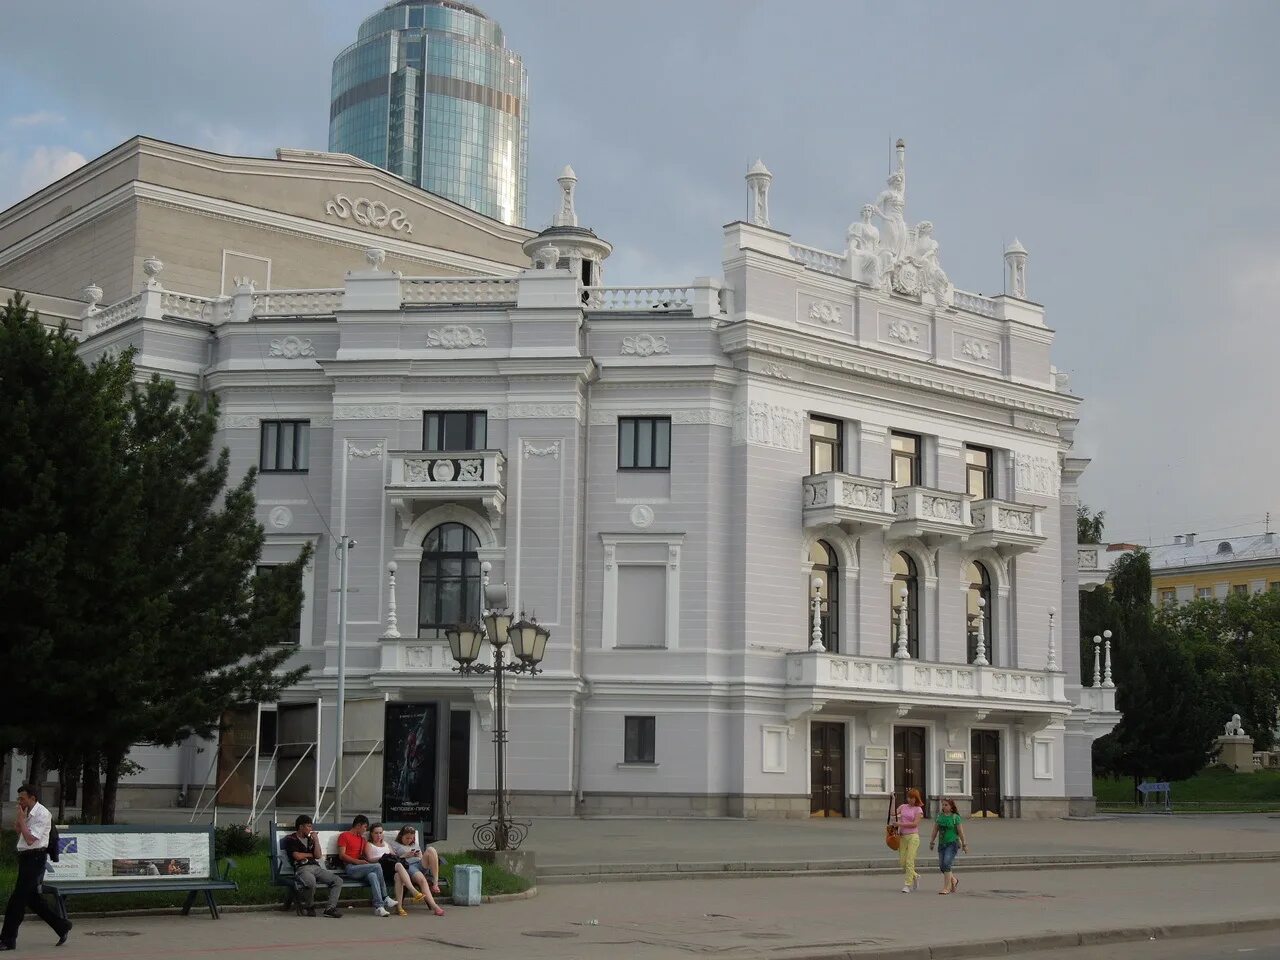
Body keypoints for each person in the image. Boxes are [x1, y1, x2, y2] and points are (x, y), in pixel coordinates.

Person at [0, 784, 72, 951]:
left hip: (35, 859)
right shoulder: (27, 812)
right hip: (26, 859)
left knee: (16, 901)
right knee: (32, 900)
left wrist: (21, 819)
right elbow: (19, 831)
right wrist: (20, 818)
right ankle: (62, 926)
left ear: (33, 798)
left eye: (22, 798)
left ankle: (8, 939)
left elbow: (30, 839)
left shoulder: (42, 814)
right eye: (19, 798)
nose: (20, 801)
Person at [336, 815, 398, 917]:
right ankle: (385, 897)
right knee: (377, 866)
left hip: (361, 868)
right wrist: (357, 862)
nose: (365, 830)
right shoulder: (344, 836)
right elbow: (342, 855)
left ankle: (379, 907)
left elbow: (364, 855)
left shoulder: (362, 840)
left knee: (373, 876)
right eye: (365, 827)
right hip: (350, 868)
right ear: (358, 825)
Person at [282, 815, 343, 918]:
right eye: (309, 826)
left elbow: (318, 855)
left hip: (316, 868)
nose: (311, 829)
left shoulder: (310, 839)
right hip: (302, 868)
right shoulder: (291, 839)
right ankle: (310, 906)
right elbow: (297, 856)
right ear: (301, 827)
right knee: (311, 882)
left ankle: (330, 908)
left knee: (337, 881)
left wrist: (316, 840)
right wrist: (311, 855)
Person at [363, 824, 420, 917]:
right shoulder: (369, 845)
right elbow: (369, 859)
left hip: (391, 868)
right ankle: (413, 891)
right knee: (398, 865)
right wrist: (383, 858)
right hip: (380, 869)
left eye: (380, 833)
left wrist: (407, 855)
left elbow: (394, 857)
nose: (378, 835)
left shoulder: (386, 844)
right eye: (376, 833)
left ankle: (399, 908)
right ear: (371, 834)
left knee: (398, 876)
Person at [389, 826, 446, 916]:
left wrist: (420, 855)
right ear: (401, 836)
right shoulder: (394, 844)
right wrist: (405, 855)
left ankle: (435, 882)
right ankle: (435, 907)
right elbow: (392, 859)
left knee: (431, 850)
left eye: (411, 838)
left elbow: (420, 856)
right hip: (408, 865)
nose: (409, 840)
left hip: (419, 862)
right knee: (422, 880)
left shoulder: (414, 844)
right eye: (407, 838)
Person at [929, 798, 969, 894]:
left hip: (952, 844)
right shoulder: (939, 816)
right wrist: (932, 841)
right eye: (943, 805)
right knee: (942, 866)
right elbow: (935, 830)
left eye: (946, 805)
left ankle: (947, 888)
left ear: (951, 807)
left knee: (947, 863)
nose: (944, 806)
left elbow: (960, 832)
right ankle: (954, 880)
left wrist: (964, 844)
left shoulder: (955, 817)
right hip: (942, 844)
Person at [891, 787, 925, 893]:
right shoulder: (903, 806)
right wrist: (892, 800)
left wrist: (900, 824)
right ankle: (915, 876)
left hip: (913, 837)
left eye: (913, 798)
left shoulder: (918, 810)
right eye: (909, 797)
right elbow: (893, 814)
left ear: (916, 799)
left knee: (910, 861)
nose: (910, 800)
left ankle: (907, 884)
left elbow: (915, 824)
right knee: (902, 862)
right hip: (902, 837)